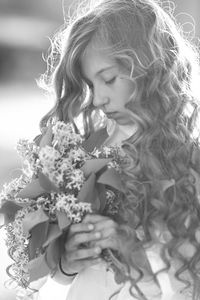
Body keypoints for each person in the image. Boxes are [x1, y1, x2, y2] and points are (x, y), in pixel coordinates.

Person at [37, 0, 200, 299]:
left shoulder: (190, 163)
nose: (97, 99)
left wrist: (131, 246)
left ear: (150, 69)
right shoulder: (86, 154)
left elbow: (190, 280)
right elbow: (55, 281)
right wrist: (68, 262)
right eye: (90, 84)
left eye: (109, 79)